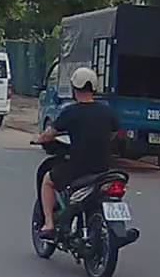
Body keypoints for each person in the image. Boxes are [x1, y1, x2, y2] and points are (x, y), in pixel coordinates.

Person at [32, 66, 120, 239]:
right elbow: (113, 133)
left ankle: (49, 224)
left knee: (48, 181)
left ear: (74, 88)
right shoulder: (107, 111)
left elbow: (50, 134)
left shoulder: (71, 112)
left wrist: (39, 139)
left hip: (78, 169)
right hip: (103, 168)